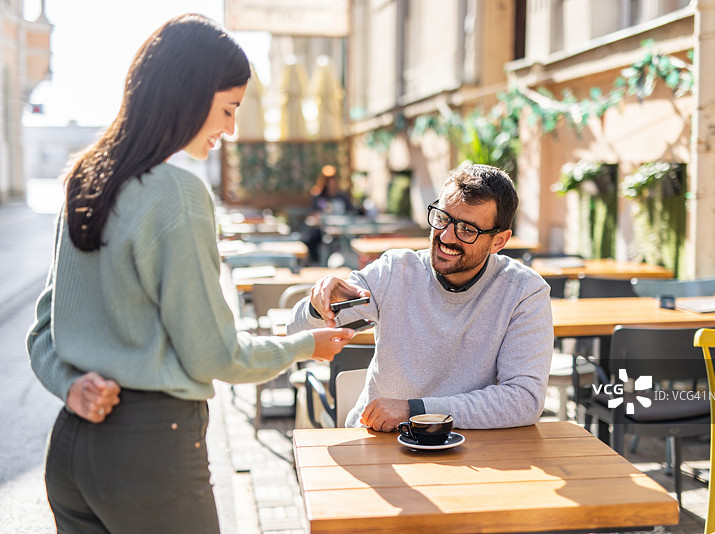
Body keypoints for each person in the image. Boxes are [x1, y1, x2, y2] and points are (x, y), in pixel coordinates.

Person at [26, 14, 354, 534]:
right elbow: (214, 354)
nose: (230, 130)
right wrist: (303, 345)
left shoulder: (85, 181)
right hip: (152, 450)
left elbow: (44, 329)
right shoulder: (178, 193)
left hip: (71, 450)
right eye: (227, 110)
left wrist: (70, 385)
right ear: (186, 96)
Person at [287, 163, 554, 431]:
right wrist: (316, 307)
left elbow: (524, 400)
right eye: (442, 218)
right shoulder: (395, 272)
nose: (446, 236)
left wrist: (415, 411)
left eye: (467, 230)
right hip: (381, 441)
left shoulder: (524, 292)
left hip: (472, 449)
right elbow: (296, 333)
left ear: (499, 241)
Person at [302, 164, 356, 264]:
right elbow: (312, 214)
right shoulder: (318, 196)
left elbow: (351, 212)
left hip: (342, 230)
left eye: (333, 179)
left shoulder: (342, 196)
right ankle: (316, 262)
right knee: (310, 239)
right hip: (323, 229)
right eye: (328, 180)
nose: (331, 182)